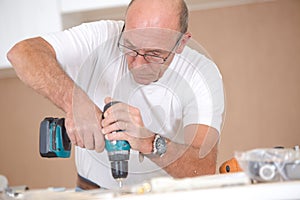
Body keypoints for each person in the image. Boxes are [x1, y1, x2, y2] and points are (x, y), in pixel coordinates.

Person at [7, 0, 224, 190]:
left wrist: (149, 142)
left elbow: (203, 169)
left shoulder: (201, 75)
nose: (138, 64)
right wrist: (75, 104)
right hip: (91, 191)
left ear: (181, 43)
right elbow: (22, 53)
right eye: (130, 46)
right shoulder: (102, 36)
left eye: (154, 54)